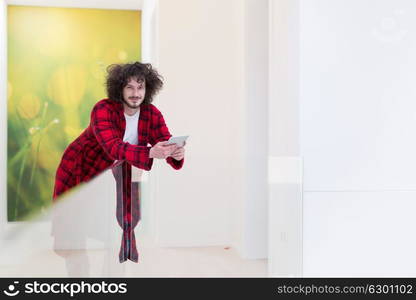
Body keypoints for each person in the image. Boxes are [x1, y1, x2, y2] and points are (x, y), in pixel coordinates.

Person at [52, 61, 185, 263]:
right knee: (74, 236)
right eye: (129, 87)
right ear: (119, 89)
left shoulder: (151, 113)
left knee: (113, 230)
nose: (135, 93)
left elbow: (164, 140)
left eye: (140, 87)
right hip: (79, 170)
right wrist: (151, 152)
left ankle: (115, 277)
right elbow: (113, 147)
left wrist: (176, 153)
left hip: (114, 173)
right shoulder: (103, 109)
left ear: (148, 89)